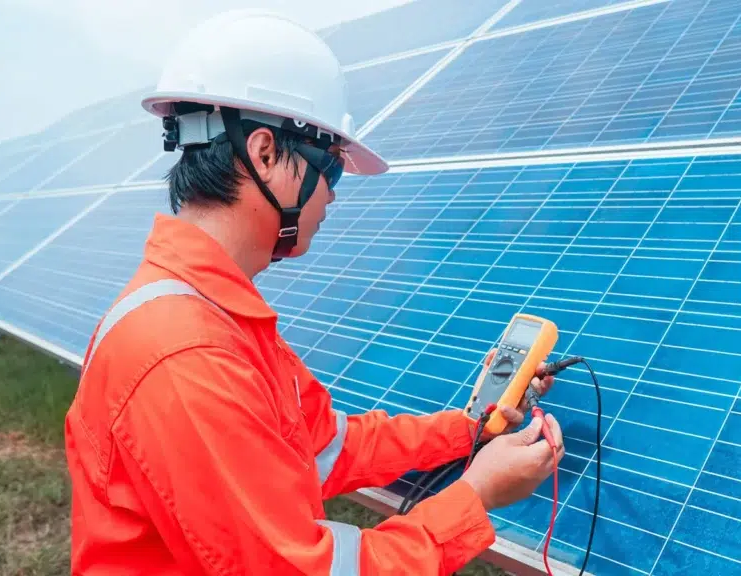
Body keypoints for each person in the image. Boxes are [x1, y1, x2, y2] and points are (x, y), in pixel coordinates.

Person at [63, 9, 566, 576]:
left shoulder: (210, 314)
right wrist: (475, 497)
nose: (332, 195)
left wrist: (472, 429)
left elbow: (329, 448)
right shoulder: (188, 356)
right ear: (264, 153)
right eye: (331, 167)